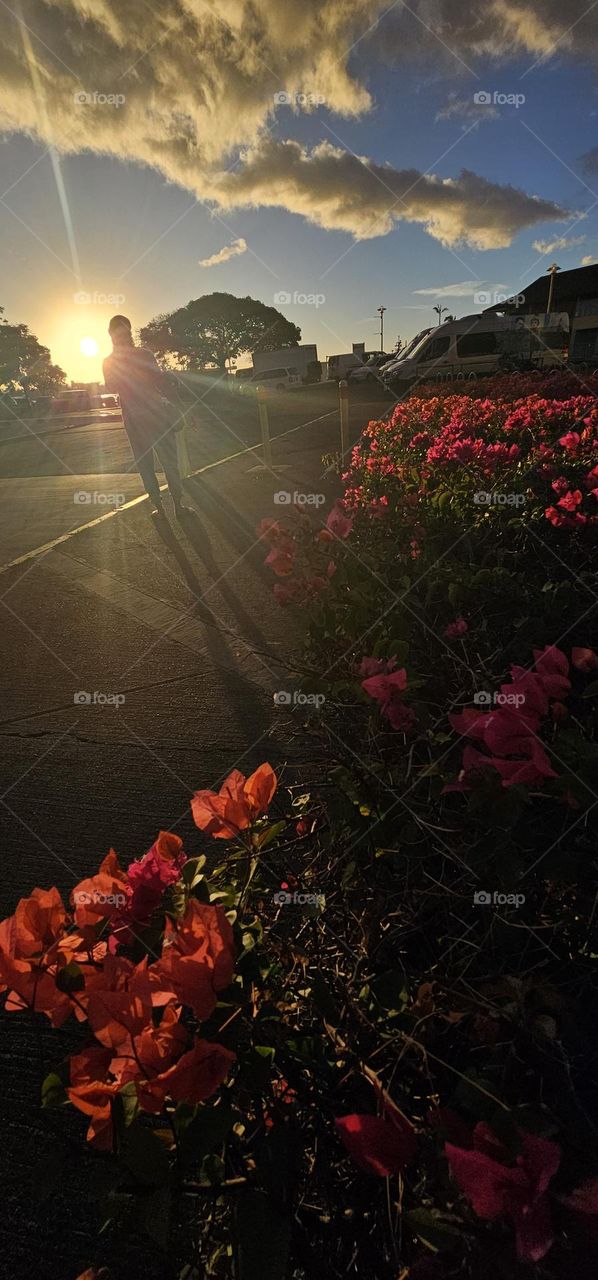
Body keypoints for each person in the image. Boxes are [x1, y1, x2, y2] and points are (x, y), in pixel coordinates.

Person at [103, 315, 192, 519]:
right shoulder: (144, 354)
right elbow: (160, 381)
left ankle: (158, 508)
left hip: (133, 420)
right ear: (130, 331)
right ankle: (178, 505)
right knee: (170, 461)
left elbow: (112, 387)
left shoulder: (108, 361)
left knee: (145, 464)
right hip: (157, 415)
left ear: (110, 334)